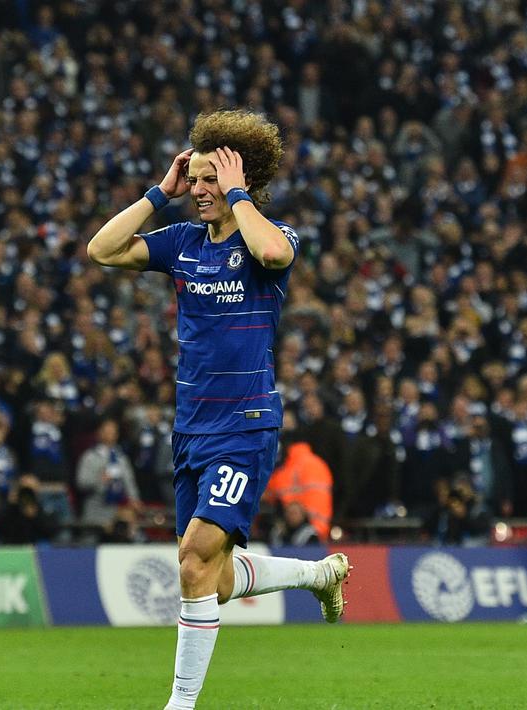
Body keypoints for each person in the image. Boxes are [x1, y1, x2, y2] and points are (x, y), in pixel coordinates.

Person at [87, 109, 351, 710]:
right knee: (211, 575)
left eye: (210, 180)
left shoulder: (270, 237)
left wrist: (238, 193)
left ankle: (180, 706)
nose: (200, 191)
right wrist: (161, 191)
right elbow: (101, 249)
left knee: (194, 556)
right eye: (197, 178)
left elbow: (275, 254)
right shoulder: (181, 242)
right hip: (190, 428)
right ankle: (318, 575)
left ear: (242, 180)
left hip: (245, 424)